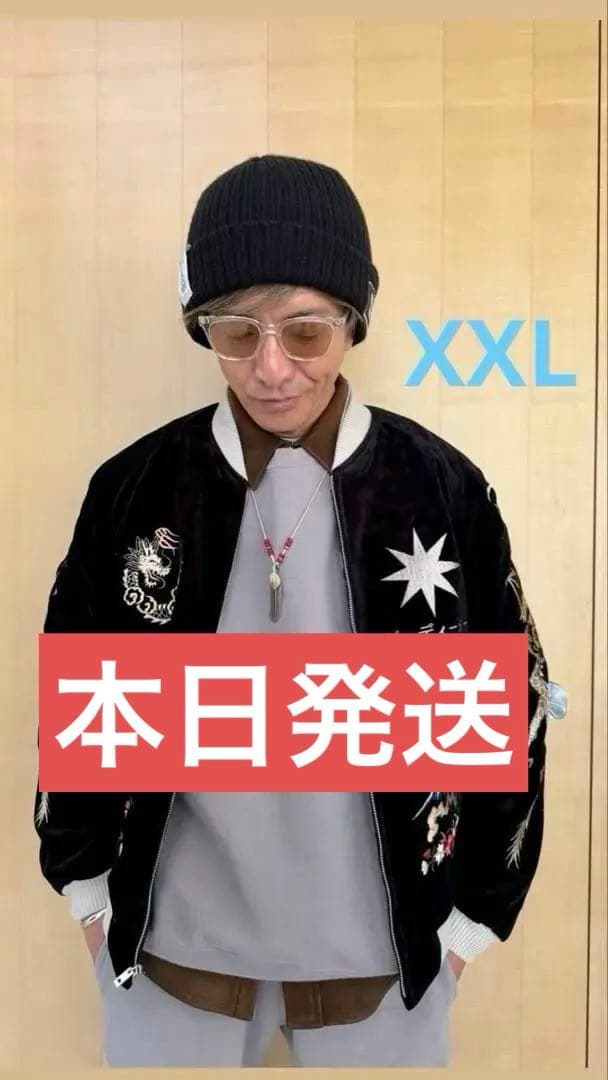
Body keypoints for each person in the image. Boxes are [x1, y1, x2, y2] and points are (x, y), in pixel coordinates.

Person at [33, 153, 566, 1068]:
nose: (271, 368)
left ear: (354, 320)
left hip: (389, 969)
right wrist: (88, 895)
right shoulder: (136, 488)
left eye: (305, 331)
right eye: (236, 332)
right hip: (167, 959)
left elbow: (513, 705)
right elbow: (76, 700)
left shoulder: (438, 488)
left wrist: (472, 924)